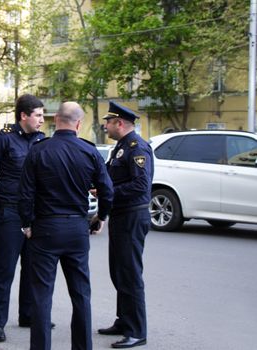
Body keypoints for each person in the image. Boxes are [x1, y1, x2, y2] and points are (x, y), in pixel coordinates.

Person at [18, 102, 114, 350]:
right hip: (76, 230)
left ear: (56, 120)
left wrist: (27, 224)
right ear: (79, 124)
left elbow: (25, 193)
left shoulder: (39, 150)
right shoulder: (89, 151)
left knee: (41, 297)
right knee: (81, 294)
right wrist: (101, 217)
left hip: (45, 229)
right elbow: (107, 190)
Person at [0, 94, 45, 342]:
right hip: (10, 212)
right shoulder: (3, 137)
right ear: (23, 116)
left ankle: (27, 315)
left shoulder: (41, 139)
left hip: (35, 213)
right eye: (38, 115)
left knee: (32, 267)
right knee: (4, 268)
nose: (42, 120)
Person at [98, 101, 153, 349]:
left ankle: (137, 331)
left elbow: (141, 186)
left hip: (132, 216)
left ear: (119, 123)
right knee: (118, 271)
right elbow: (109, 177)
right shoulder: (120, 147)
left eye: (108, 122)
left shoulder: (137, 147)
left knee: (130, 274)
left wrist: (109, 192)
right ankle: (124, 320)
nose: (105, 126)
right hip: (121, 216)